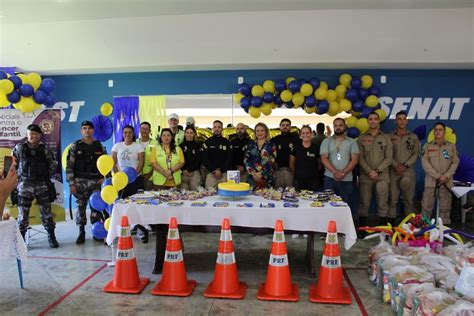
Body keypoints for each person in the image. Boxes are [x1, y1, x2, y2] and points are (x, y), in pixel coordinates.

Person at [12, 124, 59, 248]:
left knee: (47, 214)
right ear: (27, 135)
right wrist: (17, 179)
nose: (33, 136)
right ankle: (21, 241)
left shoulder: (45, 149)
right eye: (30, 134)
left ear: (39, 135)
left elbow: (53, 164)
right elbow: (13, 165)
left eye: (35, 134)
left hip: (41, 184)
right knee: (23, 215)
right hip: (25, 185)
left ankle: (51, 237)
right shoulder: (19, 148)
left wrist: (44, 176)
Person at [66, 120, 107, 244]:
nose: (87, 130)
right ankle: (81, 231)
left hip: (96, 181)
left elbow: (105, 163)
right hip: (80, 182)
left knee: (96, 208)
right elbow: (69, 167)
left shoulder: (99, 146)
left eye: (89, 128)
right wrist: (71, 184)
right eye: (84, 128)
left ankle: (96, 232)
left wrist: (104, 178)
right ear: (81, 130)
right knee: (81, 208)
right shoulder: (75, 146)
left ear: (93, 130)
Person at [112, 125, 148, 242]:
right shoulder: (117, 146)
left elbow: (141, 163)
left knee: (138, 205)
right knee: (122, 206)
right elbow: (113, 163)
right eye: (125, 132)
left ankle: (141, 230)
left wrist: (133, 175)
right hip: (120, 182)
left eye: (130, 133)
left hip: (135, 180)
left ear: (133, 134)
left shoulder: (138, 146)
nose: (127, 135)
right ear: (123, 134)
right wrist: (119, 176)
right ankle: (122, 230)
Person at [357, 112, 393, 227]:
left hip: (382, 176)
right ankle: (363, 229)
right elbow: (360, 157)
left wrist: (377, 171)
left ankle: (383, 230)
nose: (373, 121)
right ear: (368, 121)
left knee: (383, 203)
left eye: (375, 119)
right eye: (370, 119)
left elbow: (389, 158)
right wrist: (369, 171)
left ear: (379, 121)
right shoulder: (362, 138)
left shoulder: (386, 138)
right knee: (364, 203)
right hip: (365, 176)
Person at [421, 122, 459, 225]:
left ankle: (444, 228)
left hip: (446, 181)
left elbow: (455, 162)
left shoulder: (451, 147)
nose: (438, 132)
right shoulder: (427, 146)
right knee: (427, 206)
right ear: (433, 132)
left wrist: (446, 176)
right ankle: (424, 227)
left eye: (440, 129)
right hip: (431, 181)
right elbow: (425, 163)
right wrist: (438, 176)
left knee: (445, 207)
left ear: (444, 132)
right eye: (436, 130)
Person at [389, 111, 420, 223]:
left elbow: (416, 153)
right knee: (392, 199)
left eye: (403, 119)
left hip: (408, 172)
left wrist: (405, 165)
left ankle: (409, 226)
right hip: (393, 171)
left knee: (409, 200)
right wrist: (395, 165)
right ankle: (391, 227)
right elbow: (387, 154)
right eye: (399, 119)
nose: (401, 121)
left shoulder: (413, 137)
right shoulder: (389, 136)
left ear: (407, 121)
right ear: (395, 121)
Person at [320, 118, 359, 206]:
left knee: (344, 205)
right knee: (328, 204)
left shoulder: (352, 142)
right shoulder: (326, 141)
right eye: (335, 125)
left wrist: (343, 173)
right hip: (329, 178)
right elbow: (324, 158)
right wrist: (335, 172)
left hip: (346, 179)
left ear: (345, 126)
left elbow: (355, 160)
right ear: (333, 127)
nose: (338, 127)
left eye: (340, 125)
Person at [201, 120, 233, 189]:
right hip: (211, 174)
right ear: (212, 128)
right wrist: (213, 170)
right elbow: (204, 159)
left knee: (226, 196)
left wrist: (221, 170)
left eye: (219, 127)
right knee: (209, 197)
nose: (217, 129)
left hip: (224, 174)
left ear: (222, 129)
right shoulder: (207, 142)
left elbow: (229, 159)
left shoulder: (227, 142)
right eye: (215, 127)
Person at [244, 123, 276, 189]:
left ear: (266, 132)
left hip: (267, 177)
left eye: (262, 130)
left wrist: (261, 173)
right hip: (252, 177)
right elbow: (246, 160)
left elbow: (271, 161)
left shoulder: (271, 145)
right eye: (257, 131)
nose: (259, 132)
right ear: (255, 133)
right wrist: (253, 173)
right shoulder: (250, 145)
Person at [290, 125, 321, 191]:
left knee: (313, 199)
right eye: (303, 133)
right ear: (300, 135)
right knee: (299, 200)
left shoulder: (316, 148)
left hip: (313, 179)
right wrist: (297, 174)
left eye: (307, 133)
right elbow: (291, 164)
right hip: (299, 180)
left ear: (311, 134)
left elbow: (319, 164)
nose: (305, 135)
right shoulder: (296, 147)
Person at [271, 118, 299, 189]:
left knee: (290, 193)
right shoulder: (274, 140)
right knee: (277, 194)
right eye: (283, 125)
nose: (285, 127)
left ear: (290, 127)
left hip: (291, 171)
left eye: (287, 125)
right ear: (280, 127)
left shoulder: (296, 140)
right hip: (278, 171)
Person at [180, 126, 202, 191]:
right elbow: (178, 160)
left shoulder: (198, 146)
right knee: (183, 194)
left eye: (191, 133)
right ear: (184, 134)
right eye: (187, 132)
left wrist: (189, 169)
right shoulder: (180, 146)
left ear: (194, 134)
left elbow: (199, 160)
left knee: (195, 194)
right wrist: (183, 170)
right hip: (183, 173)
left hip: (195, 172)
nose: (189, 134)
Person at [137, 121, 157, 191]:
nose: (144, 131)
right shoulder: (135, 142)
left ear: (150, 131)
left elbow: (159, 161)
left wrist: (150, 173)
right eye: (142, 128)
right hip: (136, 175)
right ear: (139, 130)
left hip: (150, 176)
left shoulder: (156, 143)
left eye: (146, 129)